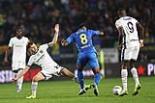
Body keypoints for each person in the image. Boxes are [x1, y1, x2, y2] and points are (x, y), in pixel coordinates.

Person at [13, 24, 74, 99]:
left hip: (54, 67)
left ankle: (81, 83)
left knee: (71, 75)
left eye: (34, 46)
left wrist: (56, 32)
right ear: (30, 50)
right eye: (32, 47)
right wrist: (17, 77)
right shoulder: (32, 58)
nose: (34, 47)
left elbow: (54, 42)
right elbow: (25, 69)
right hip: (46, 71)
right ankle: (33, 95)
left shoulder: (42, 47)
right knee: (35, 79)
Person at [61, 24, 104, 96]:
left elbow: (66, 42)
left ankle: (82, 88)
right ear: (83, 28)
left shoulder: (74, 35)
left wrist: (63, 42)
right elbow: (99, 32)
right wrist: (101, 32)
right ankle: (95, 84)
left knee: (79, 70)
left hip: (82, 55)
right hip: (91, 54)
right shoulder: (89, 31)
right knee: (97, 73)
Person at [115, 9, 144, 96]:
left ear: (119, 14)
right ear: (125, 14)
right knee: (132, 64)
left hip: (128, 43)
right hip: (136, 43)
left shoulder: (119, 21)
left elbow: (121, 33)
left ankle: (125, 89)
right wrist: (141, 40)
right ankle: (137, 82)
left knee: (124, 65)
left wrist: (119, 44)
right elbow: (141, 28)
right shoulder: (133, 19)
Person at [4, 25, 29, 92]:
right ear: (16, 33)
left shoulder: (26, 39)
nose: (19, 33)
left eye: (20, 32)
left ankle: (19, 87)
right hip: (15, 59)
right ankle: (18, 83)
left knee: (21, 72)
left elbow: (29, 47)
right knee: (16, 72)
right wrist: (6, 58)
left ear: (22, 33)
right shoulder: (12, 40)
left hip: (22, 59)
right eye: (17, 32)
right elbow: (8, 49)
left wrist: (31, 53)